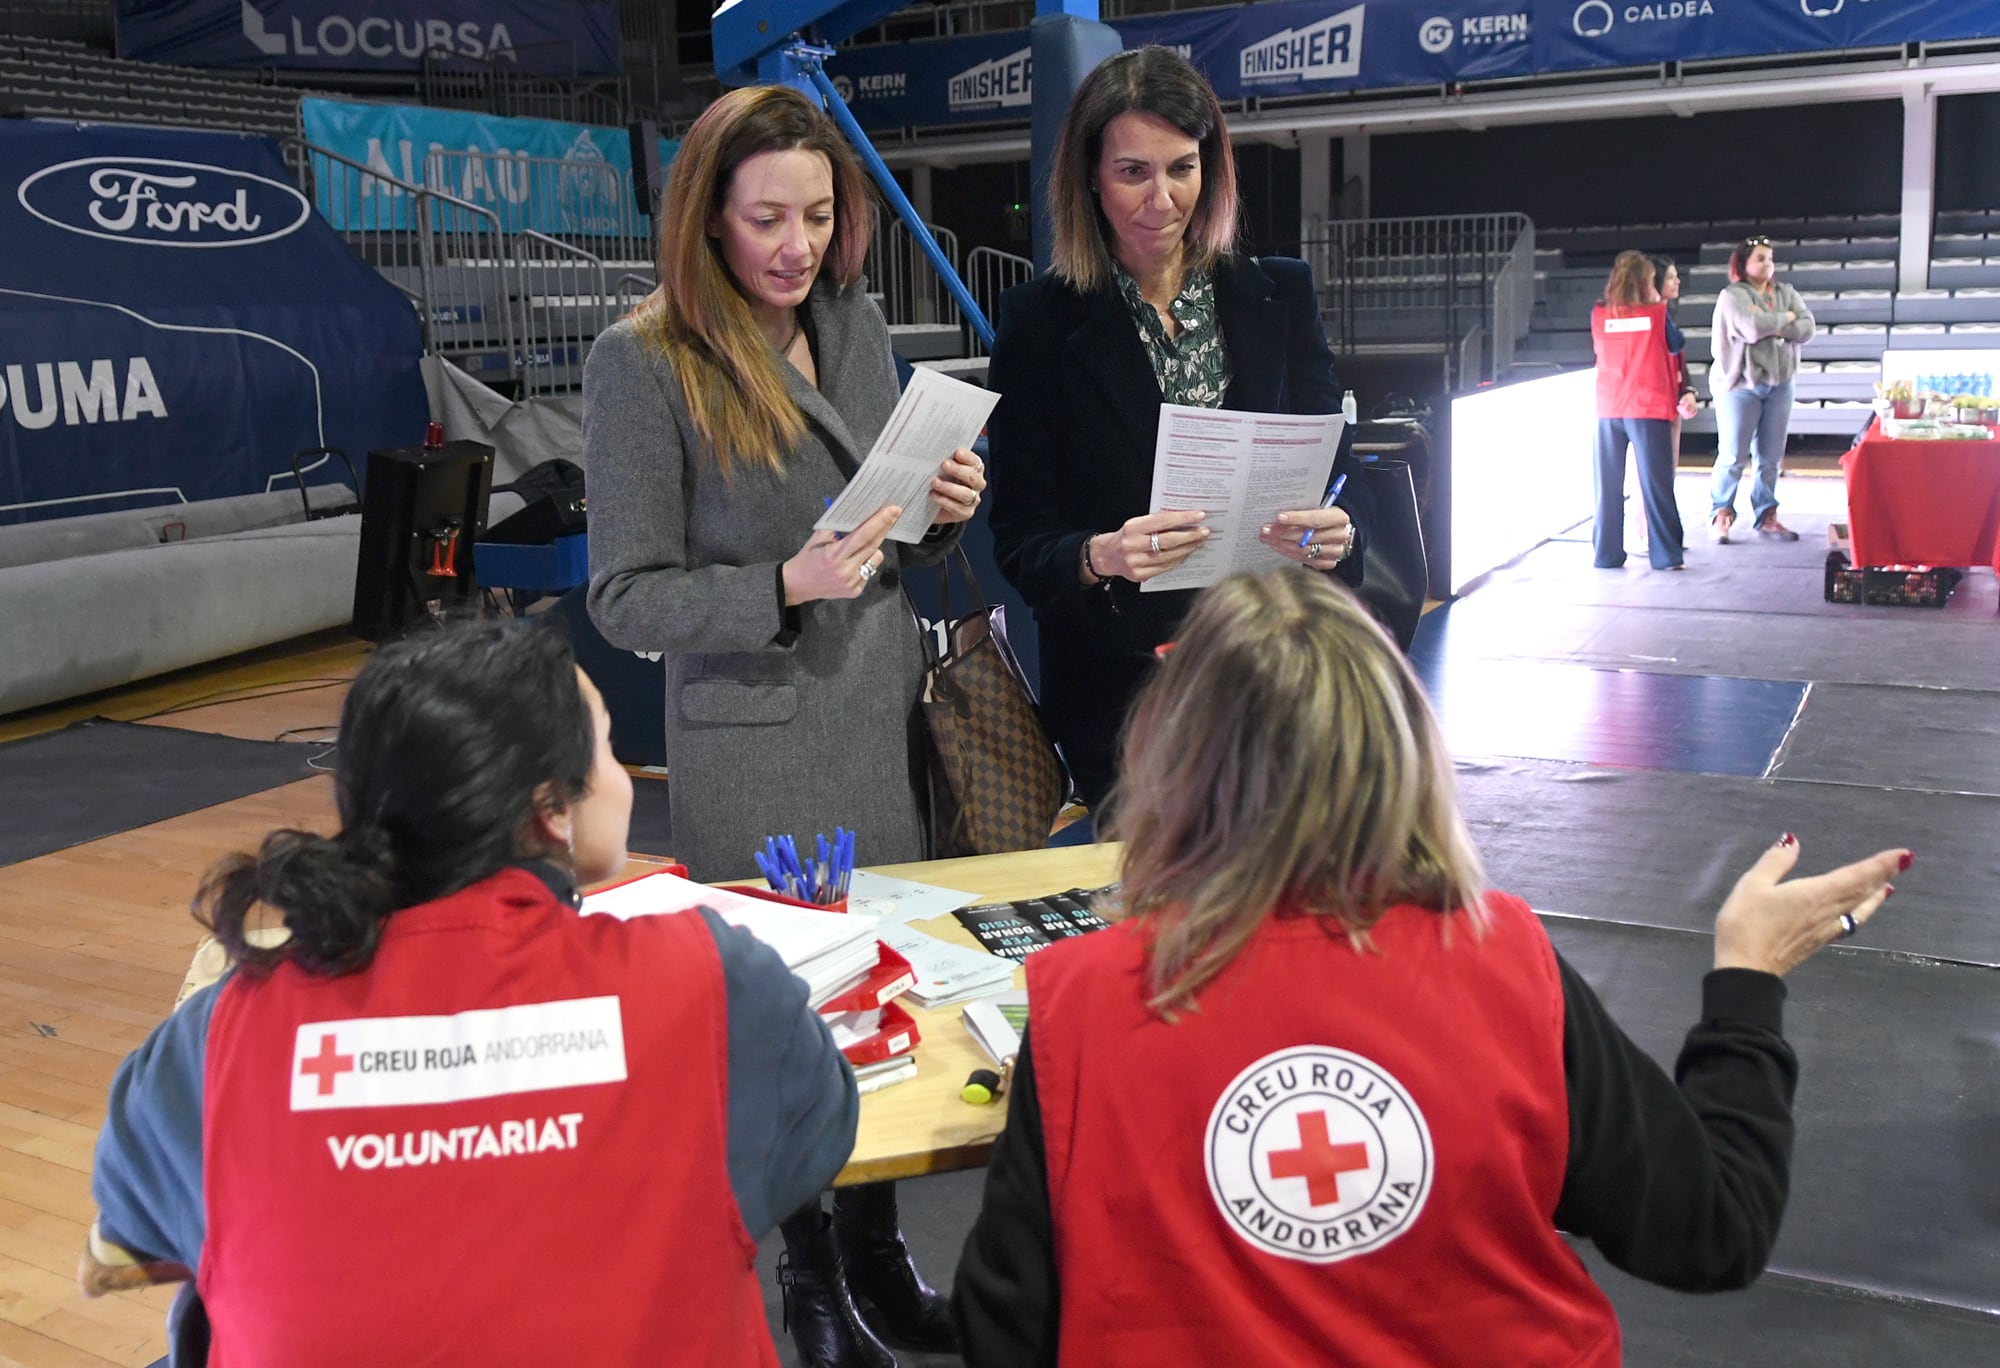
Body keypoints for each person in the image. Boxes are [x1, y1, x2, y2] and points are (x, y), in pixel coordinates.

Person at [953, 568, 1909, 1366]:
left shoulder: (1084, 999)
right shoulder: (1502, 959)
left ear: (1170, 758)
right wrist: (1748, 975)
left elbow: (1005, 1331)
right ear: (1404, 747)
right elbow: (1711, 1232)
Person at [84, 622, 859, 1366]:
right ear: (552, 810)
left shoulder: (214, 1036)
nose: (622, 776)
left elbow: (134, 1233)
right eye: (608, 748)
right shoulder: (712, 982)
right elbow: (809, 1146)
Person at [583, 83, 974, 1367]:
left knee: (883, 998)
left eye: (815, 216)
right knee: (789, 1014)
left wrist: (943, 509)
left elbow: (883, 532)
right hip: (755, 741)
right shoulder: (643, 361)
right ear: (707, 215)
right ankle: (810, 1280)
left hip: (876, 716)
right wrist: (779, 586)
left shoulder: (852, 322)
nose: (796, 246)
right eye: (766, 219)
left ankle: (879, 1255)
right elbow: (623, 596)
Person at [984, 45, 1373, 813]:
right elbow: (1021, 540)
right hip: (1124, 701)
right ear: (1090, 177)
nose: (1160, 200)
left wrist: (1340, 531)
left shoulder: (1281, 294)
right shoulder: (1037, 324)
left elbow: (1339, 471)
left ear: (1210, 170)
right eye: (1133, 172)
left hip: (1278, 674)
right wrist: (1100, 555)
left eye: (1181, 169)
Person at [1709, 236, 1815, 543]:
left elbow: (1807, 328)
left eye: (1770, 258)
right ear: (1743, 264)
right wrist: (1786, 320)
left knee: (1770, 457)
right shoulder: (1732, 296)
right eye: (1760, 258)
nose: (1767, 264)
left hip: (1780, 384)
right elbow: (1751, 327)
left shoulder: (1786, 292)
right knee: (1733, 455)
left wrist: (1772, 322)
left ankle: (1767, 515)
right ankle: (1720, 514)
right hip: (1740, 386)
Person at [1589, 249, 1684, 571]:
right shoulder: (1657, 313)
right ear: (1647, 281)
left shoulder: (1599, 313)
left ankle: (1606, 554)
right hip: (1646, 406)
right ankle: (1666, 554)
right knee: (1656, 485)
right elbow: (1676, 344)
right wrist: (1657, 302)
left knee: (1607, 487)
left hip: (1608, 406)